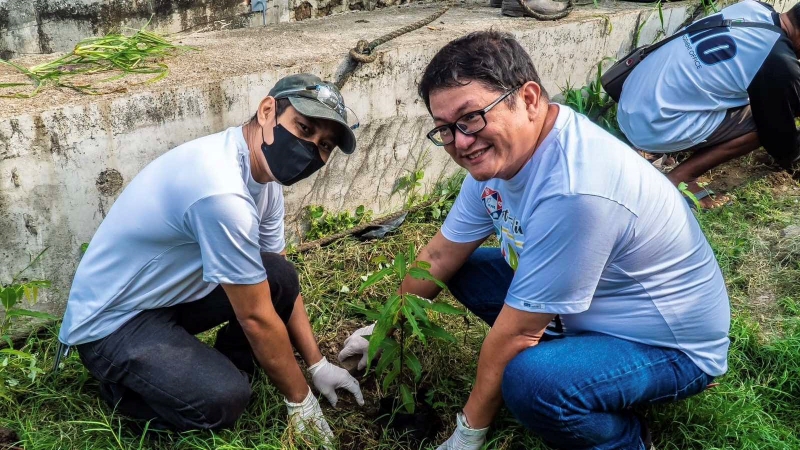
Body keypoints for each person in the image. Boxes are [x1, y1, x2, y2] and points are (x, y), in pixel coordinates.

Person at [339, 31, 730, 450]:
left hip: (664, 346)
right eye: (446, 129)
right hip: (590, 310)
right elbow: (438, 256)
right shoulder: (500, 161)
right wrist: (382, 329)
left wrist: (466, 435)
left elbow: (513, 336)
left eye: (471, 117)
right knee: (464, 269)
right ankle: (571, 360)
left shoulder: (577, 189)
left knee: (530, 383)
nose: (461, 142)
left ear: (528, 98)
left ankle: (627, 439)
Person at [57, 74, 363, 445]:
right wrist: (301, 402)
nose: (310, 148)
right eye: (303, 127)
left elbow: (277, 280)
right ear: (267, 111)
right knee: (221, 401)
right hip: (112, 323)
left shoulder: (262, 181)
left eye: (324, 144)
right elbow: (255, 316)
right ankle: (125, 388)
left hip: (164, 298)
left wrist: (316, 364)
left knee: (279, 275)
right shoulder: (221, 192)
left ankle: (225, 366)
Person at [617, 0, 800, 208]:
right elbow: (781, 138)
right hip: (653, 125)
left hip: (631, 101)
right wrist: (793, 156)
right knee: (766, 122)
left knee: (750, 93)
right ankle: (681, 179)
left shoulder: (755, 8)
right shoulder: (778, 60)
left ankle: (661, 150)